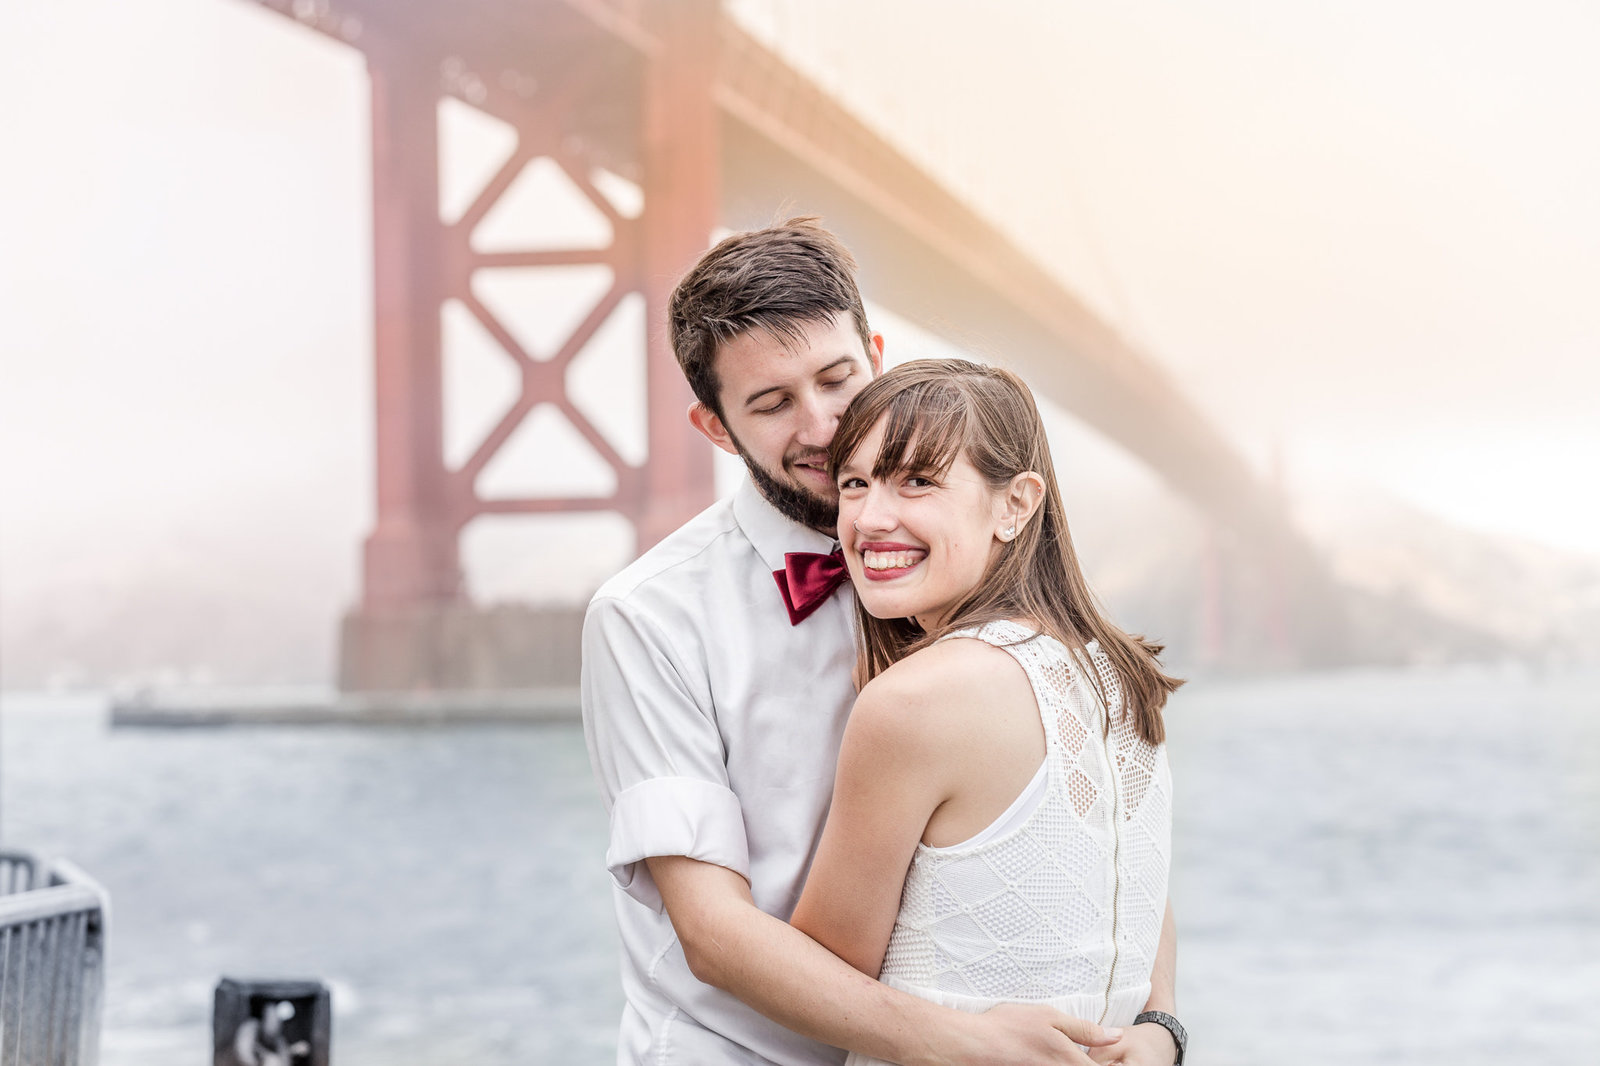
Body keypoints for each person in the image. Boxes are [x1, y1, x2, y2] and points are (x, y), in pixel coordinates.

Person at [582, 217, 1181, 1065]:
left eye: (837, 378)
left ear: (877, 352)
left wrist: (1159, 1024)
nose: (823, 426)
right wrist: (966, 1046)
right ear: (716, 427)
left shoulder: (961, 564)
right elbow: (711, 935)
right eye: (771, 403)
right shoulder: (648, 618)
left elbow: (1110, 835)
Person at [789, 359, 1186, 1065]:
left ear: (1016, 503)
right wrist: (1164, 1031)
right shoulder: (1123, 677)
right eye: (855, 483)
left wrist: (701, 908)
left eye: (918, 480)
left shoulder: (913, 704)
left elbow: (821, 982)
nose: (871, 519)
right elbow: (1140, 907)